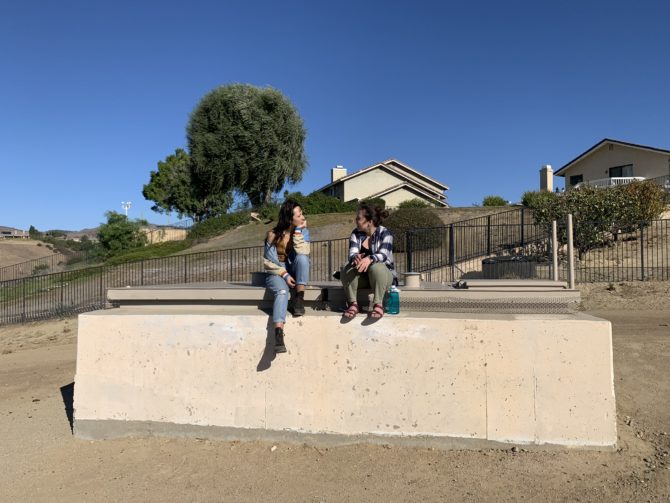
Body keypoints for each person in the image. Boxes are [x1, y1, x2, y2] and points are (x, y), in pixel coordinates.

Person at [264, 200, 310, 353]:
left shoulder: (304, 231)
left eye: (302, 213)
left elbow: (303, 251)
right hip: (277, 271)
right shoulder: (272, 234)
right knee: (282, 292)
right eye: (299, 214)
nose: (303, 217)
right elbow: (268, 262)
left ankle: (299, 299)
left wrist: (298, 232)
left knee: (303, 258)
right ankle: (278, 334)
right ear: (290, 219)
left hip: (294, 268)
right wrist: (284, 274)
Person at [341, 203, 396, 319]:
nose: (356, 220)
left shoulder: (385, 233)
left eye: (359, 218)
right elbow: (352, 253)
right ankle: (353, 304)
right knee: (347, 267)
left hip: (384, 277)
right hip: (365, 278)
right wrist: (355, 258)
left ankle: (378, 304)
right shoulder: (356, 233)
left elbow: (383, 255)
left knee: (377, 267)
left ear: (369, 221)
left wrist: (370, 258)